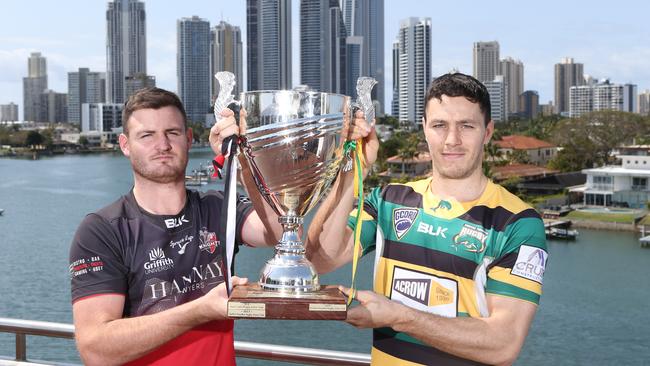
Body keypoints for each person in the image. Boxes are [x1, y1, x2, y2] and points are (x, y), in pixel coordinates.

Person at [306, 73, 548, 366]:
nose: (451, 140)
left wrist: (400, 317)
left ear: (487, 132)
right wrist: (352, 172)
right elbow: (319, 260)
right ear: (424, 129)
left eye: (466, 126)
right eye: (439, 125)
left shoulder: (518, 223)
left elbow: (503, 344)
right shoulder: (389, 201)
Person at [69, 87, 280, 365]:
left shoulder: (218, 208)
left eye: (173, 132)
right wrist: (200, 310)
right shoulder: (102, 230)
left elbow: (282, 231)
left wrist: (242, 158)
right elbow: (95, 350)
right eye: (147, 135)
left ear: (189, 139)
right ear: (125, 144)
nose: (163, 145)